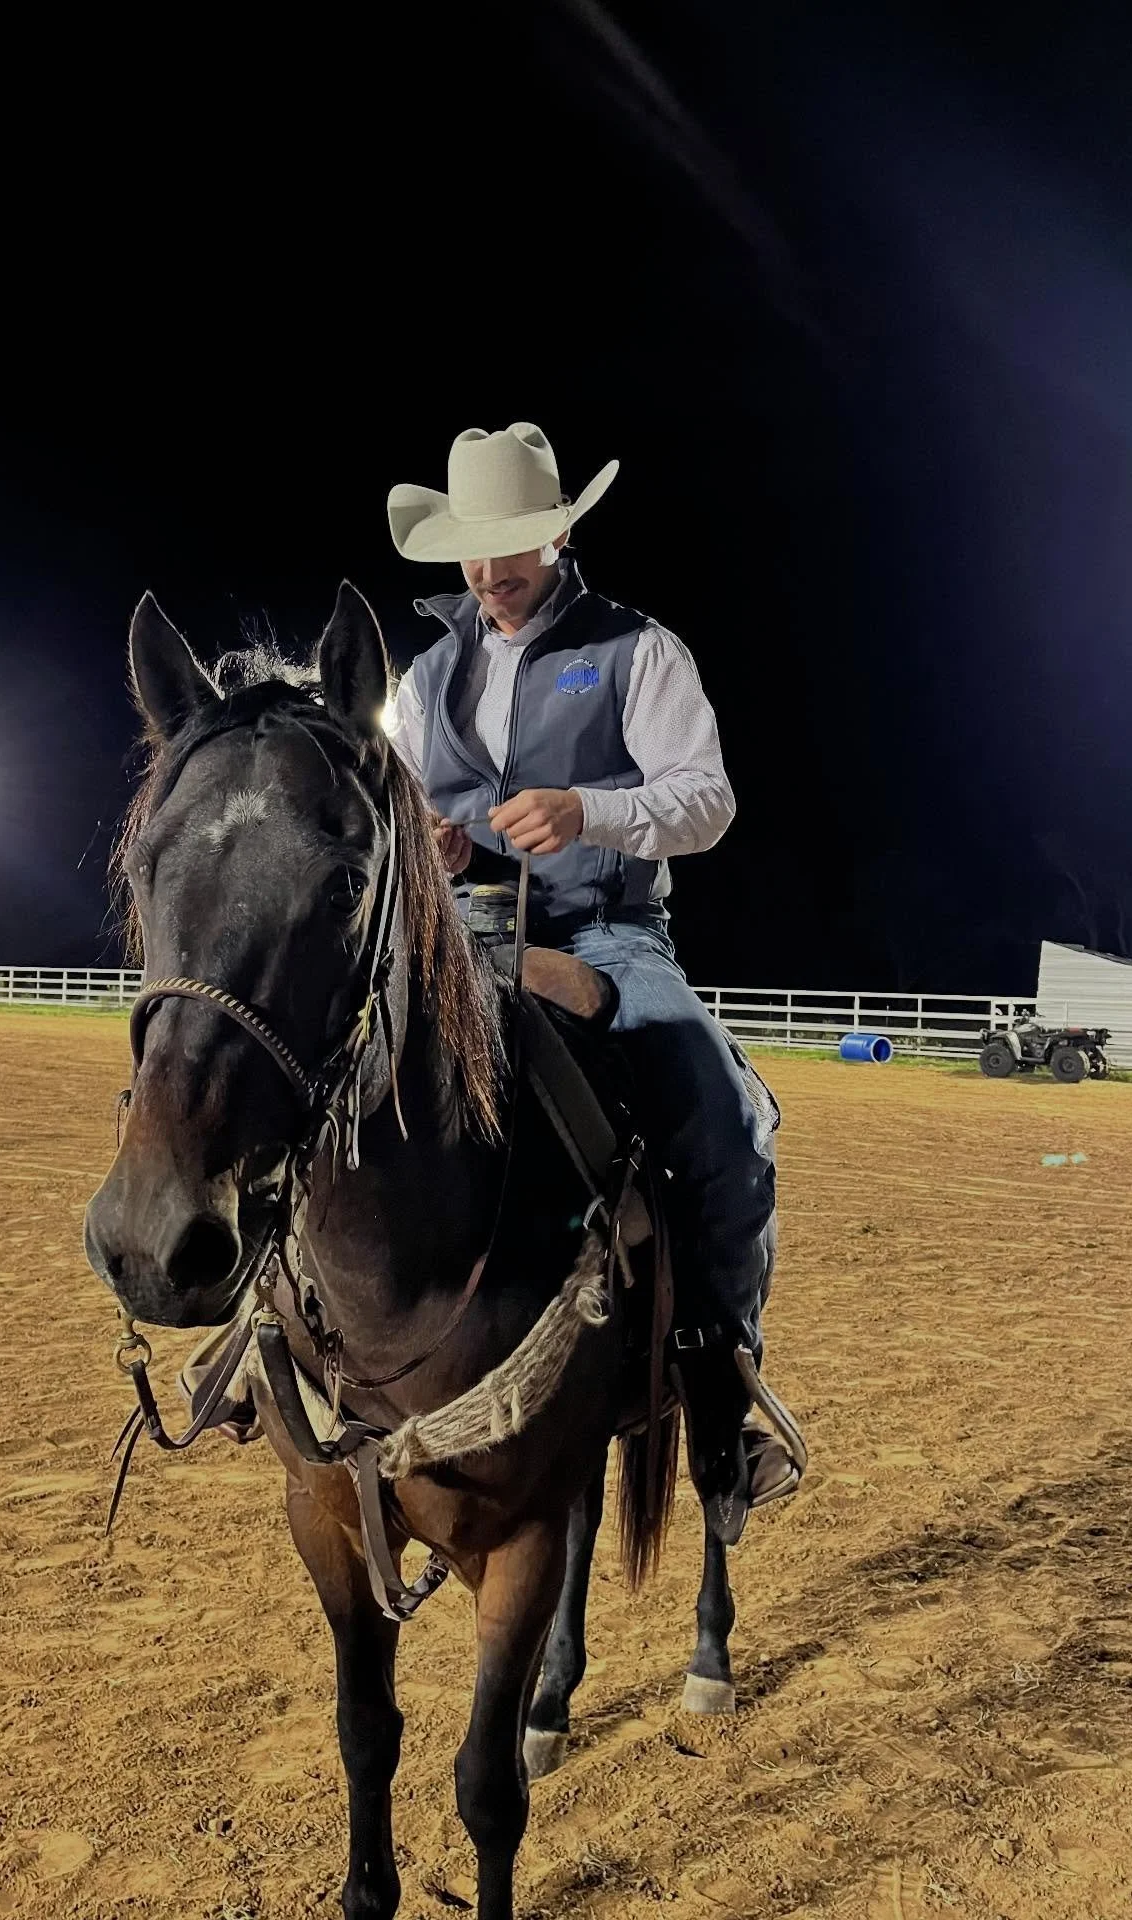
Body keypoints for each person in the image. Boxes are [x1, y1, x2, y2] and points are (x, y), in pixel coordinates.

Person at [383, 422, 799, 1537]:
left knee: (724, 1118)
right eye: (472, 553)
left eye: (511, 547)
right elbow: (407, 814)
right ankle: (289, 1339)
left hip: (609, 933)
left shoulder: (639, 650)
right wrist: (438, 845)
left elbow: (705, 802)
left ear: (561, 530)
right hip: (460, 937)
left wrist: (590, 813)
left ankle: (722, 1382)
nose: (489, 575)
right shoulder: (426, 676)